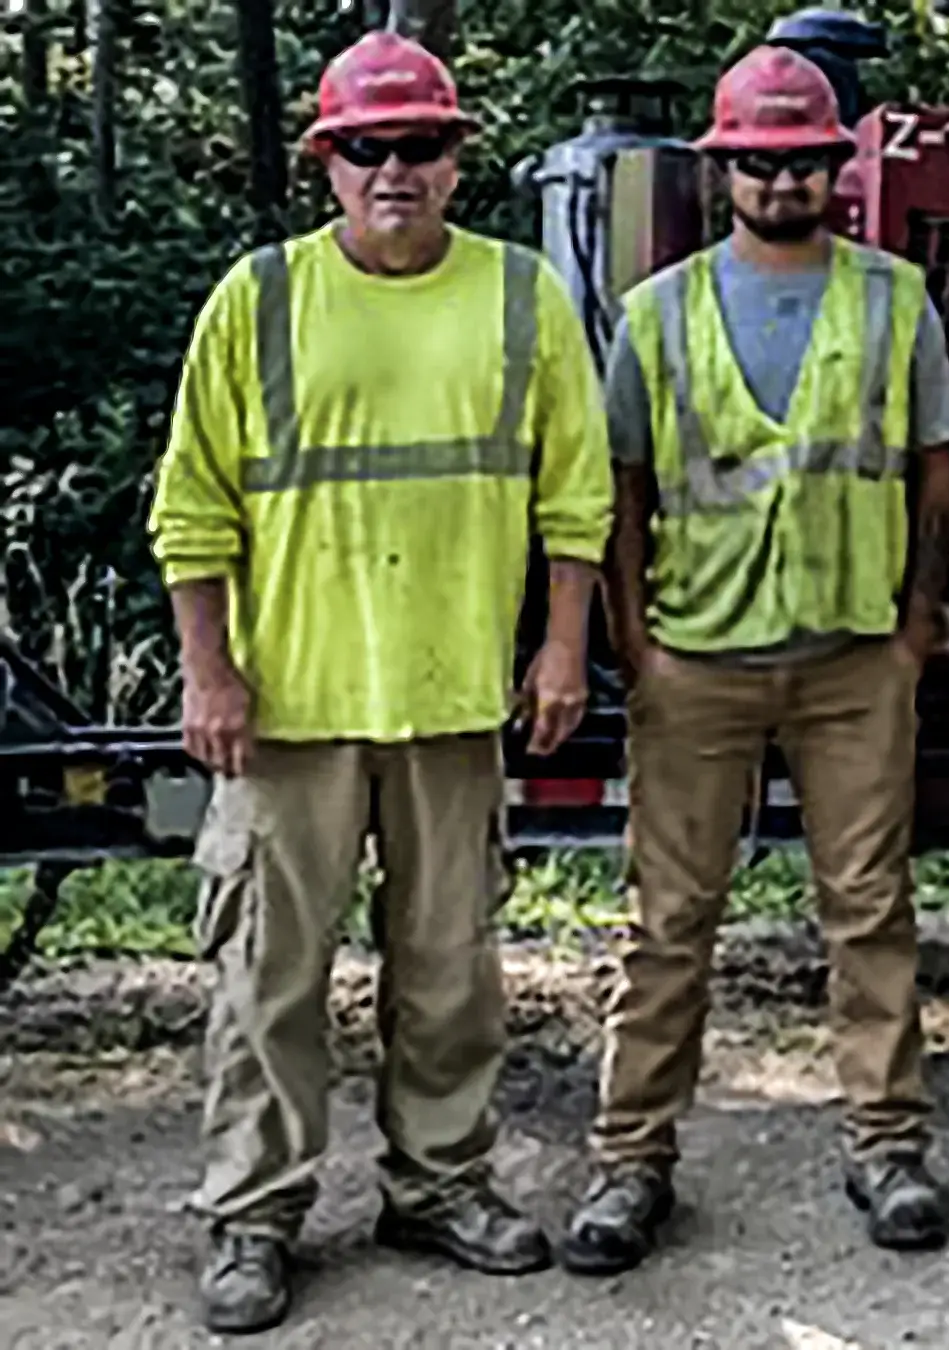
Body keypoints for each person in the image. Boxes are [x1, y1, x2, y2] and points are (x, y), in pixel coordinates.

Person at [147, 31, 613, 1335]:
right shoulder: (259, 300)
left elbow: (574, 497)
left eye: (418, 145)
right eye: (366, 147)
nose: (393, 168)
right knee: (268, 977)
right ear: (328, 163)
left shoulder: (520, 297)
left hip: (452, 701)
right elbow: (193, 508)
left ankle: (439, 1184)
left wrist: (561, 645)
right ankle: (254, 1213)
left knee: (450, 971)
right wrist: (208, 673)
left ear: (456, 160)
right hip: (288, 711)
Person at [561, 45, 949, 1269]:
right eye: (759, 161)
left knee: (870, 909)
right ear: (722, 169)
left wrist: (916, 623)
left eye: (802, 161)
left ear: (834, 167)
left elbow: (939, 466)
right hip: (697, 659)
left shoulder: (895, 298)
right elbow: (622, 487)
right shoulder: (659, 313)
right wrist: (633, 638)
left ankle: (887, 1146)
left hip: (854, 660)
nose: (782, 180)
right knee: (668, 922)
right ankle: (631, 1160)